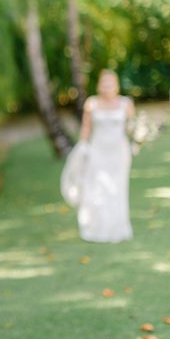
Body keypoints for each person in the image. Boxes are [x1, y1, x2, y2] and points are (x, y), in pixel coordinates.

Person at [60, 69, 135, 242]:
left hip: (119, 152)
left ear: (116, 85)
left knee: (117, 188)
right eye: (104, 83)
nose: (107, 86)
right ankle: (96, 228)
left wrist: (138, 137)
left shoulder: (126, 104)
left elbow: (131, 126)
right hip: (98, 151)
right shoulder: (91, 103)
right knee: (97, 188)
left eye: (110, 83)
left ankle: (117, 228)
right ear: (100, 85)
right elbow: (86, 127)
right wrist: (83, 146)